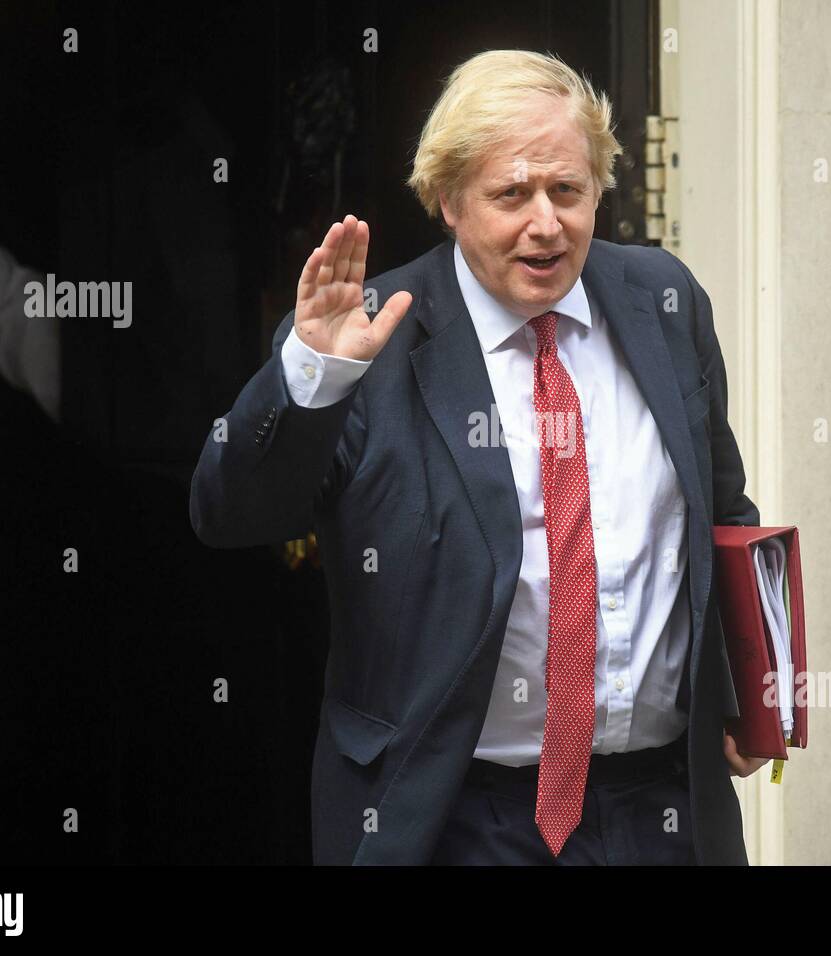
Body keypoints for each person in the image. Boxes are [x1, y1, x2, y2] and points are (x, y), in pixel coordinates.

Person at [190, 49, 767, 865]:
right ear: (448, 200)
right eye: (511, 194)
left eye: (567, 190)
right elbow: (232, 515)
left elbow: (724, 513)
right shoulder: (369, 337)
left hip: (661, 811)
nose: (546, 222)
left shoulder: (663, 301)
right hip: (456, 816)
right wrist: (315, 377)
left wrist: (750, 689)